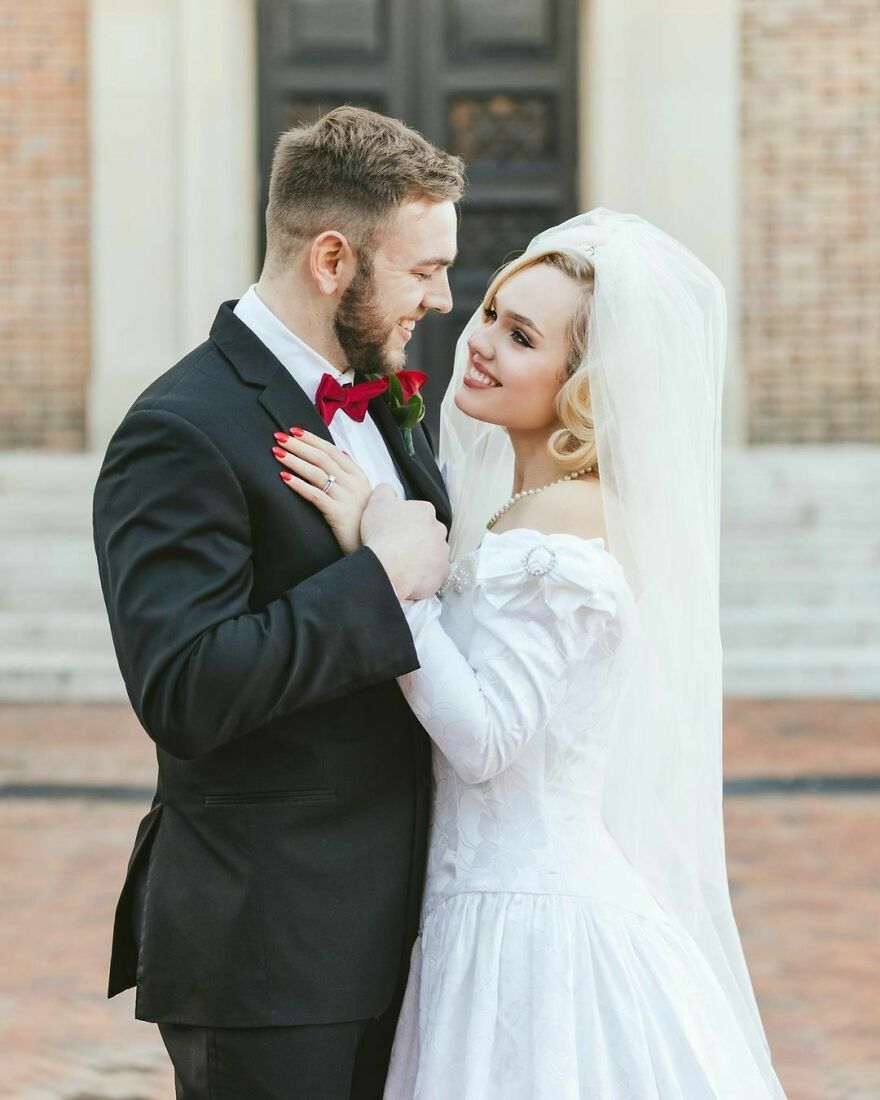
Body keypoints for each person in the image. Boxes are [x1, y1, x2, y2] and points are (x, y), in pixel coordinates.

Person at [274, 209, 788, 1098]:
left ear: (582, 386)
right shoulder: (524, 509)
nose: (479, 343)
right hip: (476, 904)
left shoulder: (564, 524)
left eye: (521, 337)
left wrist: (386, 566)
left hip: (529, 932)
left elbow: (486, 739)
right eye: (490, 314)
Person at [92, 107, 463, 1099]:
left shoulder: (384, 399)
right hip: (270, 953)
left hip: (408, 941)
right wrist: (376, 574)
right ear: (332, 259)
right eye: (424, 270)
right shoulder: (180, 430)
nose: (442, 298)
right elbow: (186, 686)